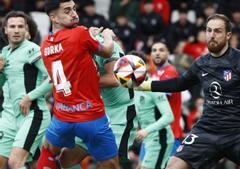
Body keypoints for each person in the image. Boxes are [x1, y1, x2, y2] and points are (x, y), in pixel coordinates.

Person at [137, 13, 240, 169]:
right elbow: (179, 84)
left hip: (238, 133)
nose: (212, 35)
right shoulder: (201, 63)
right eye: (209, 30)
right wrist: (145, 85)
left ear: (228, 35)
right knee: (173, 165)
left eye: (217, 31)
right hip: (206, 131)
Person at [37, 0, 119, 168]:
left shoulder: (44, 45)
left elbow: (72, 52)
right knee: (110, 163)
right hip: (91, 116)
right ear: (53, 17)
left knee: (49, 149)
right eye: (67, 11)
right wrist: (107, 36)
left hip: (62, 116)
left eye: (74, 9)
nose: (74, 14)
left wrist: (89, 36)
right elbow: (107, 51)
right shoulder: (80, 33)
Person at [58, 37, 138, 169]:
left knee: (109, 164)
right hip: (97, 111)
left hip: (120, 113)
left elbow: (114, 79)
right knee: (66, 158)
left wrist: (79, 82)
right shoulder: (71, 51)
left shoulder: (106, 45)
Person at [0, 11, 51, 169]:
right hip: (9, 115)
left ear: (26, 30)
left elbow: (53, 78)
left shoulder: (33, 49)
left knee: (16, 163)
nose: (16, 30)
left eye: (20, 26)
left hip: (32, 114)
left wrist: (29, 97)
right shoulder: (4, 53)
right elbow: (2, 85)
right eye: (12, 26)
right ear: (5, 30)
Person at [134, 51, 174, 169]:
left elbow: (169, 116)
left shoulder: (153, 86)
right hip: (148, 141)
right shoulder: (132, 87)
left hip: (160, 139)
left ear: (145, 66)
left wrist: (146, 130)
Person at [150, 41, 183, 154]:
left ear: (168, 54)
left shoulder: (170, 72)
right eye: (154, 50)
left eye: (161, 50)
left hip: (170, 134)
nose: (157, 53)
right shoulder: (155, 73)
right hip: (158, 133)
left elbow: (160, 99)